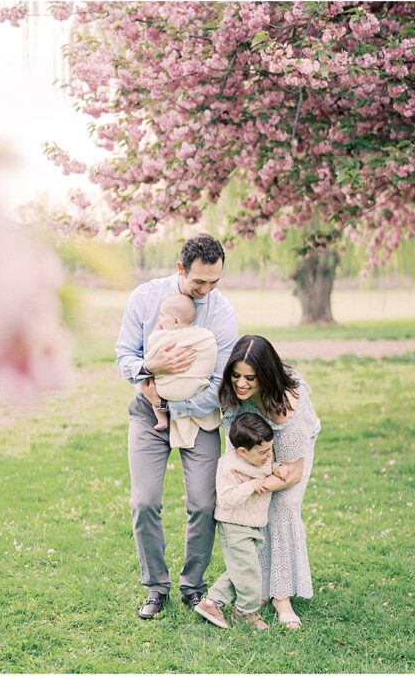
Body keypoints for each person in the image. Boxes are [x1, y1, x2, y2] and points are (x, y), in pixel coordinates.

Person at [115, 232, 238, 620]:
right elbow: (124, 357)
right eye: (199, 281)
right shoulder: (145, 298)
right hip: (147, 412)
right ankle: (155, 586)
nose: (206, 290)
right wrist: (152, 371)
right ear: (180, 268)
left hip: (198, 415)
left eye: (214, 282)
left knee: (204, 503)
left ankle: (193, 585)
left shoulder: (222, 313)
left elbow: (221, 383)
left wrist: (171, 401)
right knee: (145, 501)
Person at [219, 335, 319, 629]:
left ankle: (282, 597)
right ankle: (258, 588)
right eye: (236, 375)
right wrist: (248, 484)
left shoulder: (287, 403)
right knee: (255, 513)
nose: (241, 384)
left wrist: (261, 484)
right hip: (255, 453)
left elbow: (293, 472)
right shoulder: (233, 399)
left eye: (251, 378)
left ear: (265, 376)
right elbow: (235, 452)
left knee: (282, 507)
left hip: (292, 455)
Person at [194, 413, 291, 631]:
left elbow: (266, 466)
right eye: (263, 452)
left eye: (270, 450)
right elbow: (226, 499)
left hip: (255, 524)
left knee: (243, 569)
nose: (268, 455)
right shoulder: (229, 466)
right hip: (234, 525)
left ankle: (211, 603)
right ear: (242, 452)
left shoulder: (261, 458)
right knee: (248, 571)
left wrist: (276, 467)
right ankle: (245, 612)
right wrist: (251, 486)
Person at [145, 293, 221, 448]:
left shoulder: (163, 337)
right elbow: (209, 349)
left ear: (175, 321)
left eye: (162, 316)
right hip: (195, 389)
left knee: (151, 389)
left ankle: (162, 419)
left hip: (166, 391)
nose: (160, 319)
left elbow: (151, 350)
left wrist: (155, 333)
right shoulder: (201, 336)